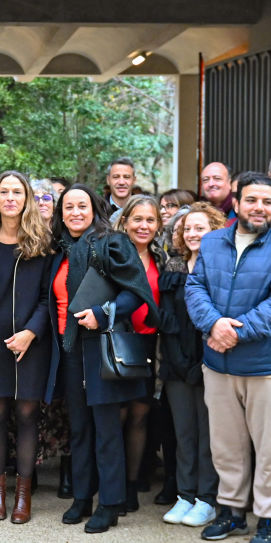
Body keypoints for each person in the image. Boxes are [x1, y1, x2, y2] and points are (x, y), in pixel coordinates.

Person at [188, 171, 271, 543]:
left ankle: (269, 521)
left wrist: (234, 332)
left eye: (267, 202)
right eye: (252, 200)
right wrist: (213, 324)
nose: (260, 208)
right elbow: (195, 288)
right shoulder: (211, 242)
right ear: (235, 204)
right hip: (219, 365)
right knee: (226, 447)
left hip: (268, 365)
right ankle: (232, 512)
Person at [50, 185, 154, 532]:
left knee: (107, 429)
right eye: (69, 207)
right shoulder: (60, 248)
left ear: (95, 209)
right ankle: (82, 496)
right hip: (71, 349)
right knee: (79, 427)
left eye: (82, 206)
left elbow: (135, 291)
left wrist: (102, 313)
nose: (75, 212)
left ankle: (110, 502)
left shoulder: (113, 242)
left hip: (102, 344)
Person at [0, 171, 54, 523]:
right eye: (4, 192)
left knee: (28, 415)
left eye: (17, 192)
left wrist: (31, 332)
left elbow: (50, 297)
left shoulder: (43, 242)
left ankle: (23, 495)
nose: (10, 198)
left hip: (30, 343)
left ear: (27, 199)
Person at [159, 203, 228, 528]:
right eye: (187, 228)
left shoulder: (224, 268)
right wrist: (177, 360)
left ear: (215, 230)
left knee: (209, 436)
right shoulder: (172, 267)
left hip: (212, 362)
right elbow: (167, 320)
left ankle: (207, 499)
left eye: (200, 227)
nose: (192, 233)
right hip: (176, 364)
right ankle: (185, 495)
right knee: (183, 433)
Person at [111, 196, 166, 512]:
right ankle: (114, 486)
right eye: (138, 219)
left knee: (140, 416)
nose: (143, 226)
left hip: (150, 346)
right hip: (118, 343)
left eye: (150, 220)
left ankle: (132, 485)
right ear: (125, 221)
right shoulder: (113, 254)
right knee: (116, 417)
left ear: (158, 225)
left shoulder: (163, 257)